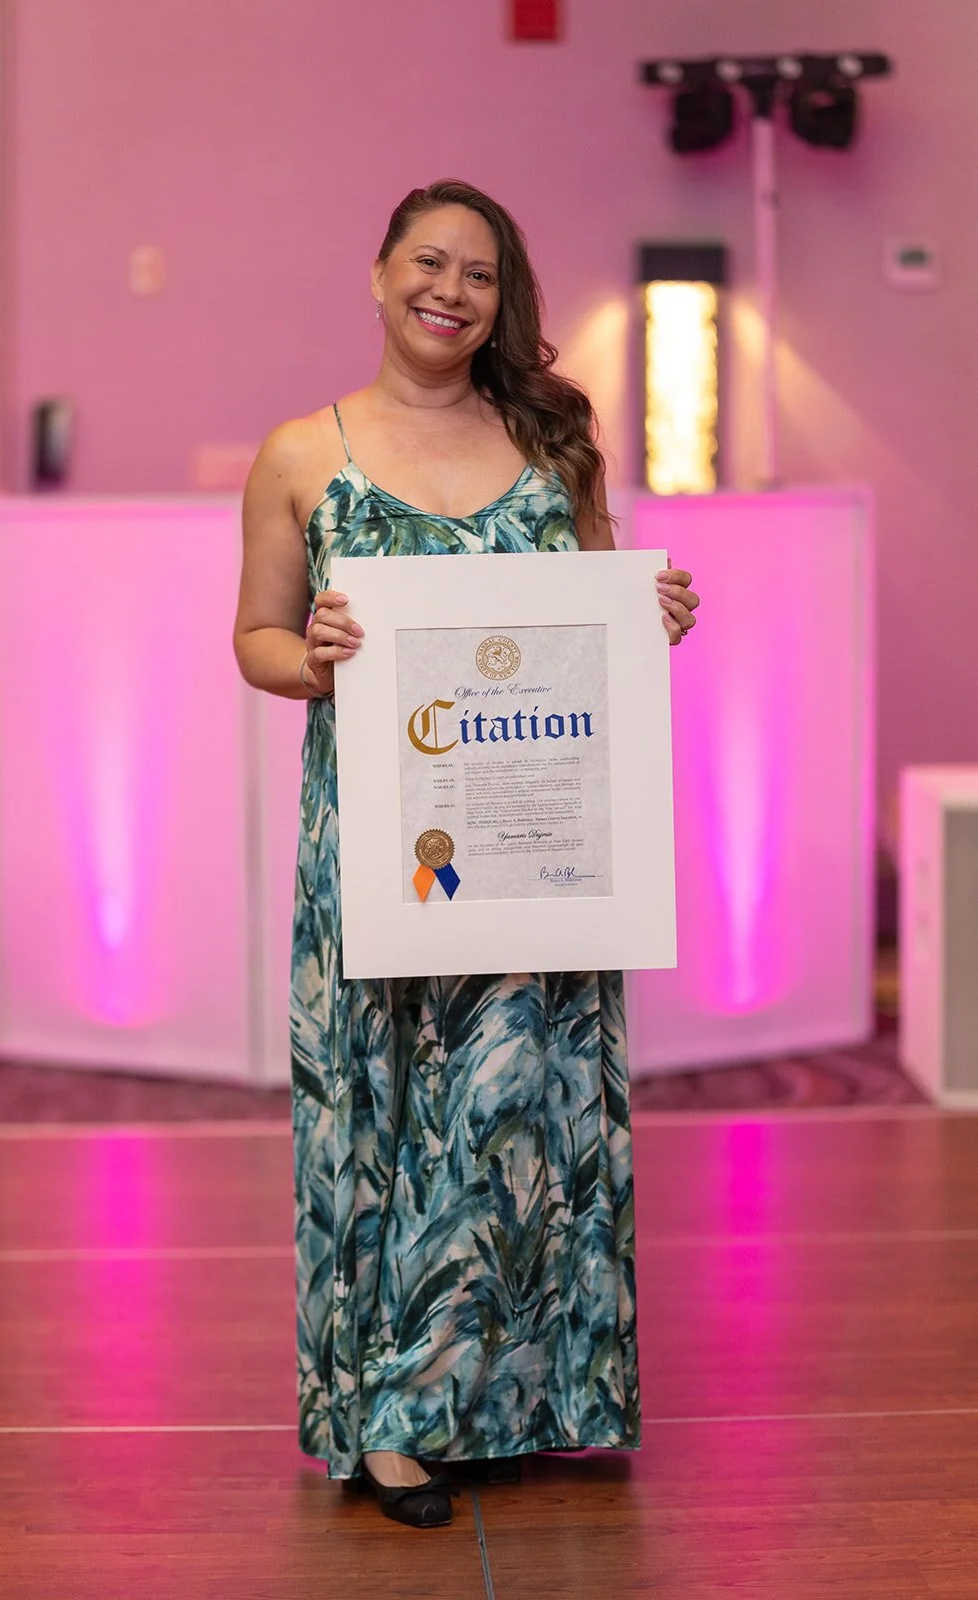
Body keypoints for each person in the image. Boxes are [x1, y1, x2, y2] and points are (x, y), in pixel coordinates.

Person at [234, 179, 699, 1530]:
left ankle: (506, 1404)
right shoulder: (301, 455)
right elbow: (255, 639)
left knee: (517, 1115)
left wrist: (651, 615)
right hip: (376, 850)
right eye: (428, 263)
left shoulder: (555, 444)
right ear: (380, 273)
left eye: (480, 274)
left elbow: (594, 621)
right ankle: (392, 1421)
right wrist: (313, 658)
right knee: (378, 1117)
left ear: (503, 302)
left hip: (532, 843)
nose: (451, 291)